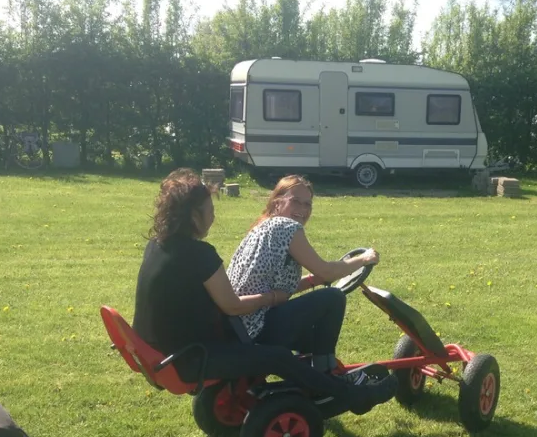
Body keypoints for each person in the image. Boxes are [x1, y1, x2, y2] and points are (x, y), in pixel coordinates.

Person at [132, 169, 397, 414]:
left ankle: (323, 376)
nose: (214, 216)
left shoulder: (158, 246)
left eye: (308, 204)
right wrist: (362, 260)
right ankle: (343, 390)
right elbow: (233, 305)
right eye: (210, 210)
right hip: (194, 354)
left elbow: (258, 286)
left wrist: (301, 286)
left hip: (171, 349)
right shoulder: (200, 254)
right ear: (193, 216)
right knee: (327, 304)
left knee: (310, 315)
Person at [227, 175, 379, 373]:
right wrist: (364, 259)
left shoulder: (261, 228)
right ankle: (326, 374)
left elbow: (270, 282)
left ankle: (306, 373)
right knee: (333, 298)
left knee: (311, 332)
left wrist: (310, 281)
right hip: (258, 326)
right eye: (295, 201)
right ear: (277, 202)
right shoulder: (286, 227)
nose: (303, 209)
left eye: (308, 204)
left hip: (239, 326)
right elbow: (326, 270)